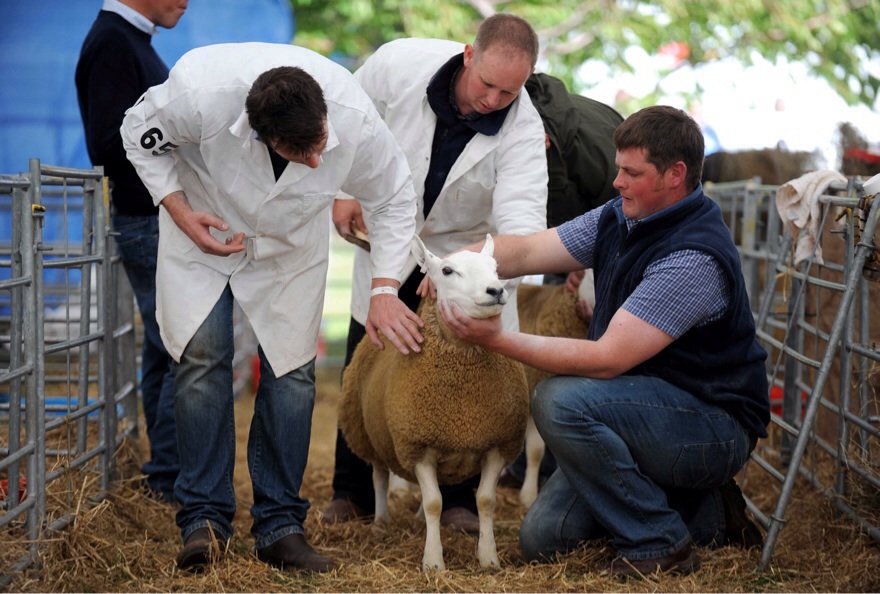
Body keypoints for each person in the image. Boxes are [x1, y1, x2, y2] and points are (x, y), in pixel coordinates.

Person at [120, 42, 424, 573]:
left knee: (294, 374)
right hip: (203, 229)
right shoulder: (198, 93)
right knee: (201, 359)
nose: (314, 161)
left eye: (320, 145)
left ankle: (280, 524)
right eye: (297, 151)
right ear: (261, 134)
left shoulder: (354, 116)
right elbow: (136, 133)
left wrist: (383, 289)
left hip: (290, 247)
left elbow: (395, 197)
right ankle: (203, 520)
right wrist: (178, 209)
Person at [439, 105, 770, 578]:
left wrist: (497, 339)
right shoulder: (622, 215)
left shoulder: (692, 257)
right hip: (638, 410)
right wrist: (455, 262)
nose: (616, 181)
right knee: (543, 540)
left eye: (631, 173)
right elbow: (531, 249)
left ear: (675, 175)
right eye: (618, 168)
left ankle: (660, 540)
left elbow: (607, 359)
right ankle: (704, 512)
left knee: (558, 399)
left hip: (707, 423)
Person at [323, 14, 548, 534]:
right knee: (368, 352)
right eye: (487, 84)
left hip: (465, 253)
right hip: (387, 233)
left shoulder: (523, 127)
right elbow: (342, 120)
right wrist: (343, 191)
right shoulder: (398, 63)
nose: (494, 100)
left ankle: (461, 499)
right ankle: (352, 490)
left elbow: (522, 227)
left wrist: (468, 266)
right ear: (469, 54)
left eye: (509, 91)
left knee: (473, 368)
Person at [75, 0, 187, 504]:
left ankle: (167, 472)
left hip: (155, 216)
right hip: (146, 217)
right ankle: (167, 475)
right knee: (179, 342)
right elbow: (106, 142)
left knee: (167, 344)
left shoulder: (128, 41)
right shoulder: (114, 42)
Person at [497, 72, 623, 491]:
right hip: (562, 229)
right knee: (549, 322)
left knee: (589, 328)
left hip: (609, 234)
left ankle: (563, 463)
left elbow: (622, 211)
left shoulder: (598, 151)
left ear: (541, 139)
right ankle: (524, 462)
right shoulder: (516, 124)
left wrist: (587, 265)